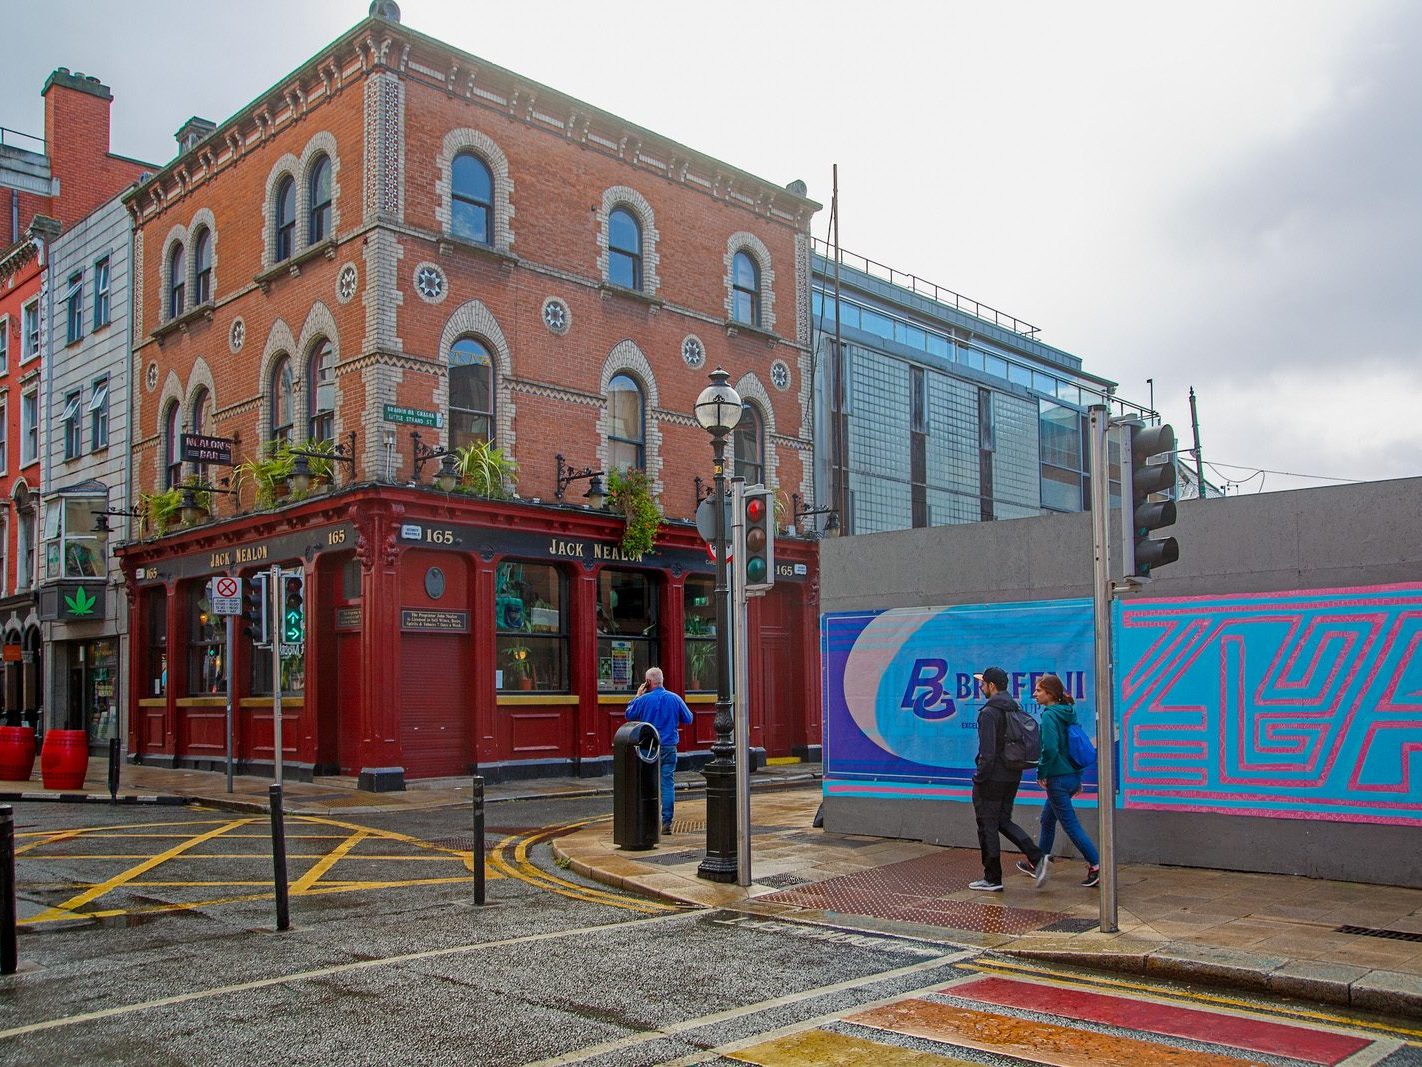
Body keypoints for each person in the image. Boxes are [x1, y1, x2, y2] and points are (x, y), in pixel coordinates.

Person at [1017, 674, 1102, 888]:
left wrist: (1041, 772)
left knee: (1071, 825)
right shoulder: (1068, 713)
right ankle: (1038, 860)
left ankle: (1096, 866)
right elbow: (1073, 748)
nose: (1034, 694)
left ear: (1050, 694)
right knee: (1047, 820)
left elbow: (1051, 749)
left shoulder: (1049, 716)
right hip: (1071, 776)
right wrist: (1077, 778)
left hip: (1058, 779)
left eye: (1038, 691)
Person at [969, 666, 1049, 892]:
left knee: (987, 825)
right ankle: (1038, 856)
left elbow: (987, 753)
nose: (981, 686)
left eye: (983, 683)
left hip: (992, 778)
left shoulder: (988, 713)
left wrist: (979, 777)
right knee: (1003, 820)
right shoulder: (1013, 707)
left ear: (992, 685)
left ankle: (992, 878)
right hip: (1012, 774)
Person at [624, 666, 693, 835]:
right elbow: (688, 719)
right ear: (662, 680)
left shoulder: (643, 700)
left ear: (648, 682)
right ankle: (667, 821)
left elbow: (629, 715)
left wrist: (637, 696)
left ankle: (649, 819)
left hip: (649, 747)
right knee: (667, 784)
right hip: (669, 747)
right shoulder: (674, 698)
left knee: (648, 783)